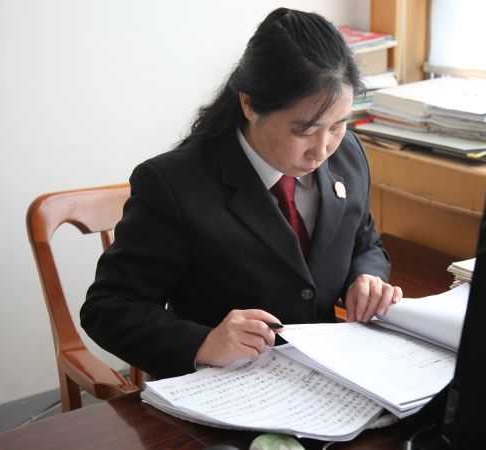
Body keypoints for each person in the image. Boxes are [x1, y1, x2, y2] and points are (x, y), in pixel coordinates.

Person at [80, 7, 402, 380]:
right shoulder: (173, 185)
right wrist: (204, 343)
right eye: (303, 130)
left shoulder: (348, 156)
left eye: (337, 125)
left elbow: (364, 243)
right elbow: (108, 308)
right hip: (227, 386)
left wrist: (366, 278)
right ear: (249, 104)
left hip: (329, 375)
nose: (321, 150)